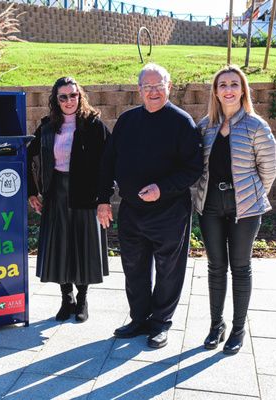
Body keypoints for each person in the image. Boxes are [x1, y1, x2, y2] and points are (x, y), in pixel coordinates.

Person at [97, 63, 203, 349]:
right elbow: (108, 163)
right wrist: (103, 199)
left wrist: (162, 188)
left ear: (169, 87)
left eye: (159, 86)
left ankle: (160, 323)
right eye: (148, 87)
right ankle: (139, 318)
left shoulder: (182, 123)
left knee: (169, 268)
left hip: (169, 211)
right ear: (139, 89)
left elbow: (193, 169)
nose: (153, 92)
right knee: (134, 267)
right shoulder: (127, 121)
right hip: (131, 209)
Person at [194, 65, 276, 355]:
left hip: (246, 208)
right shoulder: (205, 126)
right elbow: (198, 167)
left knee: (240, 267)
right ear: (215, 92)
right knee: (216, 267)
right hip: (211, 207)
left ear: (243, 90)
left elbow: (268, 170)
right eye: (222, 85)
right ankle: (216, 325)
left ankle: (238, 328)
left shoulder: (256, 126)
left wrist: (252, 198)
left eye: (234, 84)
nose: (228, 89)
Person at [27, 76, 109, 323]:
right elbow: (28, 158)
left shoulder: (94, 125)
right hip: (56, 193)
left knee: (83, 247)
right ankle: (67, 299)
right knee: (60, 246)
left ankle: (82, 300)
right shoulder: (47, 127)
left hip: (85, 194)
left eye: (73, 95)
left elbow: (108, 164)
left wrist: (104, 198)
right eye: (63, 96)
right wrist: (32, 191)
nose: (69, 100)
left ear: (80, 96)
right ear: (56, 100)